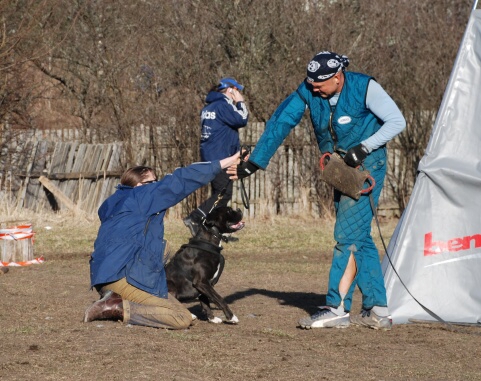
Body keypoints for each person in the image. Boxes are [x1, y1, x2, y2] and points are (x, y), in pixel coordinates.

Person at [228, 51, 406, 330]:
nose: (313, 88)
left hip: (367, 165)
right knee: (359, 236)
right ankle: (378, 310)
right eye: (309, 83)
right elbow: (281, 121)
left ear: (338, 77)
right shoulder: (309, 89)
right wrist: (254, 163)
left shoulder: (365, 87)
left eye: (319, 84)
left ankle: (336, 308)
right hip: (338, 166)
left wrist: (364, 147)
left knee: (346, 236)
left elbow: (397, 122)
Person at [84, 152, 240, 329]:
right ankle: (117, 306)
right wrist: (226, 162)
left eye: (156, 182)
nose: (155, 186)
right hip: (122, 276)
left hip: (103, 275)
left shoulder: (115, 202)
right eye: (150, 183)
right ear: (136, 186)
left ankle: (116, 296)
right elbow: (182, 179)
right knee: (180, 317)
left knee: (163, 247)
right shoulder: (142, 196)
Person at [183, 77, 249, 237]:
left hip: (211, 156)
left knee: (218, 193)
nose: (239, 94)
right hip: (222, 157)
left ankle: (213, 230)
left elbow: (223, 132)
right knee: (223, 194)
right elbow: (242, 119)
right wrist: (240, 102)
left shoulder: (210, 107)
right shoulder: (223, 106)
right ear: (230, 90)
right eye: (237, 90)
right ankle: (196, 217)